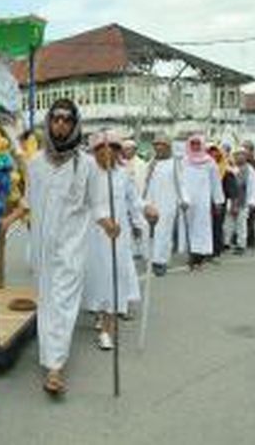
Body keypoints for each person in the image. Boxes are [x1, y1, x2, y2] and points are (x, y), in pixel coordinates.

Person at [2, 98, 119, 395]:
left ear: (75, 124)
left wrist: (108, 225)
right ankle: (51, 355)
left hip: (71, 247)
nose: (61, 124)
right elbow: (28, 201)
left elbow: (98, 205)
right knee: (48, 302)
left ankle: (55, 367)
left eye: (67, 119)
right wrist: (8, 221)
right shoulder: (36, 163)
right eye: (56, 119)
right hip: (41, 247)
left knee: (64, 303)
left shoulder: (88, 165)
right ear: (49, 123)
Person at [84, 131, 157, 350]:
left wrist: (147, 208)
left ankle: (107, 329)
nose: (108, 152)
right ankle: (99, 311)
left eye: (114, 148)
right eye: (102, 148)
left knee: (113, 279)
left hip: (117, 235)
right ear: (94, 152)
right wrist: (102, 220)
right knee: (96, 277)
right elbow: (83, 202)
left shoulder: (124, 174)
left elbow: (134, 199)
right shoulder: (87, 173)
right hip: (92, 233)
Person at [142, 133, 189, 276]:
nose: (158, 147)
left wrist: (184, 200)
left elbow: (181, 183)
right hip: (150, 202)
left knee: (163, 232)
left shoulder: (175, 163)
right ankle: (149, 258)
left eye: (162, 144)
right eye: (156, 145)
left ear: (168, 147)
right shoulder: (151, 162)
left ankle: (161, 261)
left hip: (168, 202)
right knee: (148, 232)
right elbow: (144, 183)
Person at [181, 134, 225, 269]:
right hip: (187, 200)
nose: (195, 146)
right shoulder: (184, 161)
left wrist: (218, 201)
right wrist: (181, 198)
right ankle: (191, 254)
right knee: (188, 227)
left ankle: (198, 257)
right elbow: (179, 181)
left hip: (203, 200)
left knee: (201, 227)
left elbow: (215, 183)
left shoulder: (209, 162)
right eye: (192, 143)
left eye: (197, 144)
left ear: (201, 145)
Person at [226, 149, 255, 254]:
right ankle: (226, 243)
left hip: (243, 201)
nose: (239, 157)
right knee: (228, 224)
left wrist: (252, 201)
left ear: (245, 157)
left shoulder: (250, 170)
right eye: (237, 155)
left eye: (242, 155)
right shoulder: (229, 168)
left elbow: (253, 187)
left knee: (241, 224)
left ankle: (241, 245)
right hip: (230, 201)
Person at [207, 145, 237, 257]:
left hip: (220, 203)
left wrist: (234, 204)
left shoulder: (226, 170)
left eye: (216, 154)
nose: (213, 156)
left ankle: (216, 250)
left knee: (217, 226)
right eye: (211, 154)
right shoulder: (204, 167)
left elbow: (232, 189)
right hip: (205, 202)